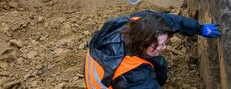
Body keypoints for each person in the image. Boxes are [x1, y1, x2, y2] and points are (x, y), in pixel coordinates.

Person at [84, 11, 221, 88]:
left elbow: (170, 20)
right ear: (142, 43)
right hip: (107, 83)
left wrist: (199, 28)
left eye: (166, 42)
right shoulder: (135, 75)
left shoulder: (137, 23)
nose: (164, 48)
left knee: (158, 62)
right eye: (158, 45)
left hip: (103, 69)